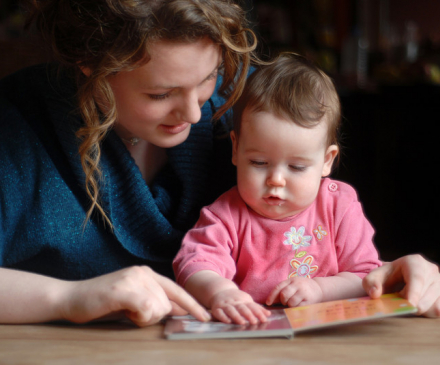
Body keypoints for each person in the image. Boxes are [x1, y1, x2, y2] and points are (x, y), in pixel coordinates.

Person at [0, 0, 438, 327]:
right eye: (161, 94)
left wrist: (394, 275)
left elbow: (323, 246)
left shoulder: (247, 101)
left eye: (208, 77)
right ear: (89, 66)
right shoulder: (17, 126)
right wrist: (66, 298)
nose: (195, 114)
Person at [173, 54, 383, 324]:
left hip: (325, 338)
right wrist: (221, 293)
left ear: (326, 161)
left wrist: (319, 289)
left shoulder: (338, 207)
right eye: (259, 162)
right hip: (250, 334)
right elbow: (194, 264)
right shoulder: (226, 214)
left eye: (296, 167)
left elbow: (367, 276)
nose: (276, 180)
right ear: (236, 149)